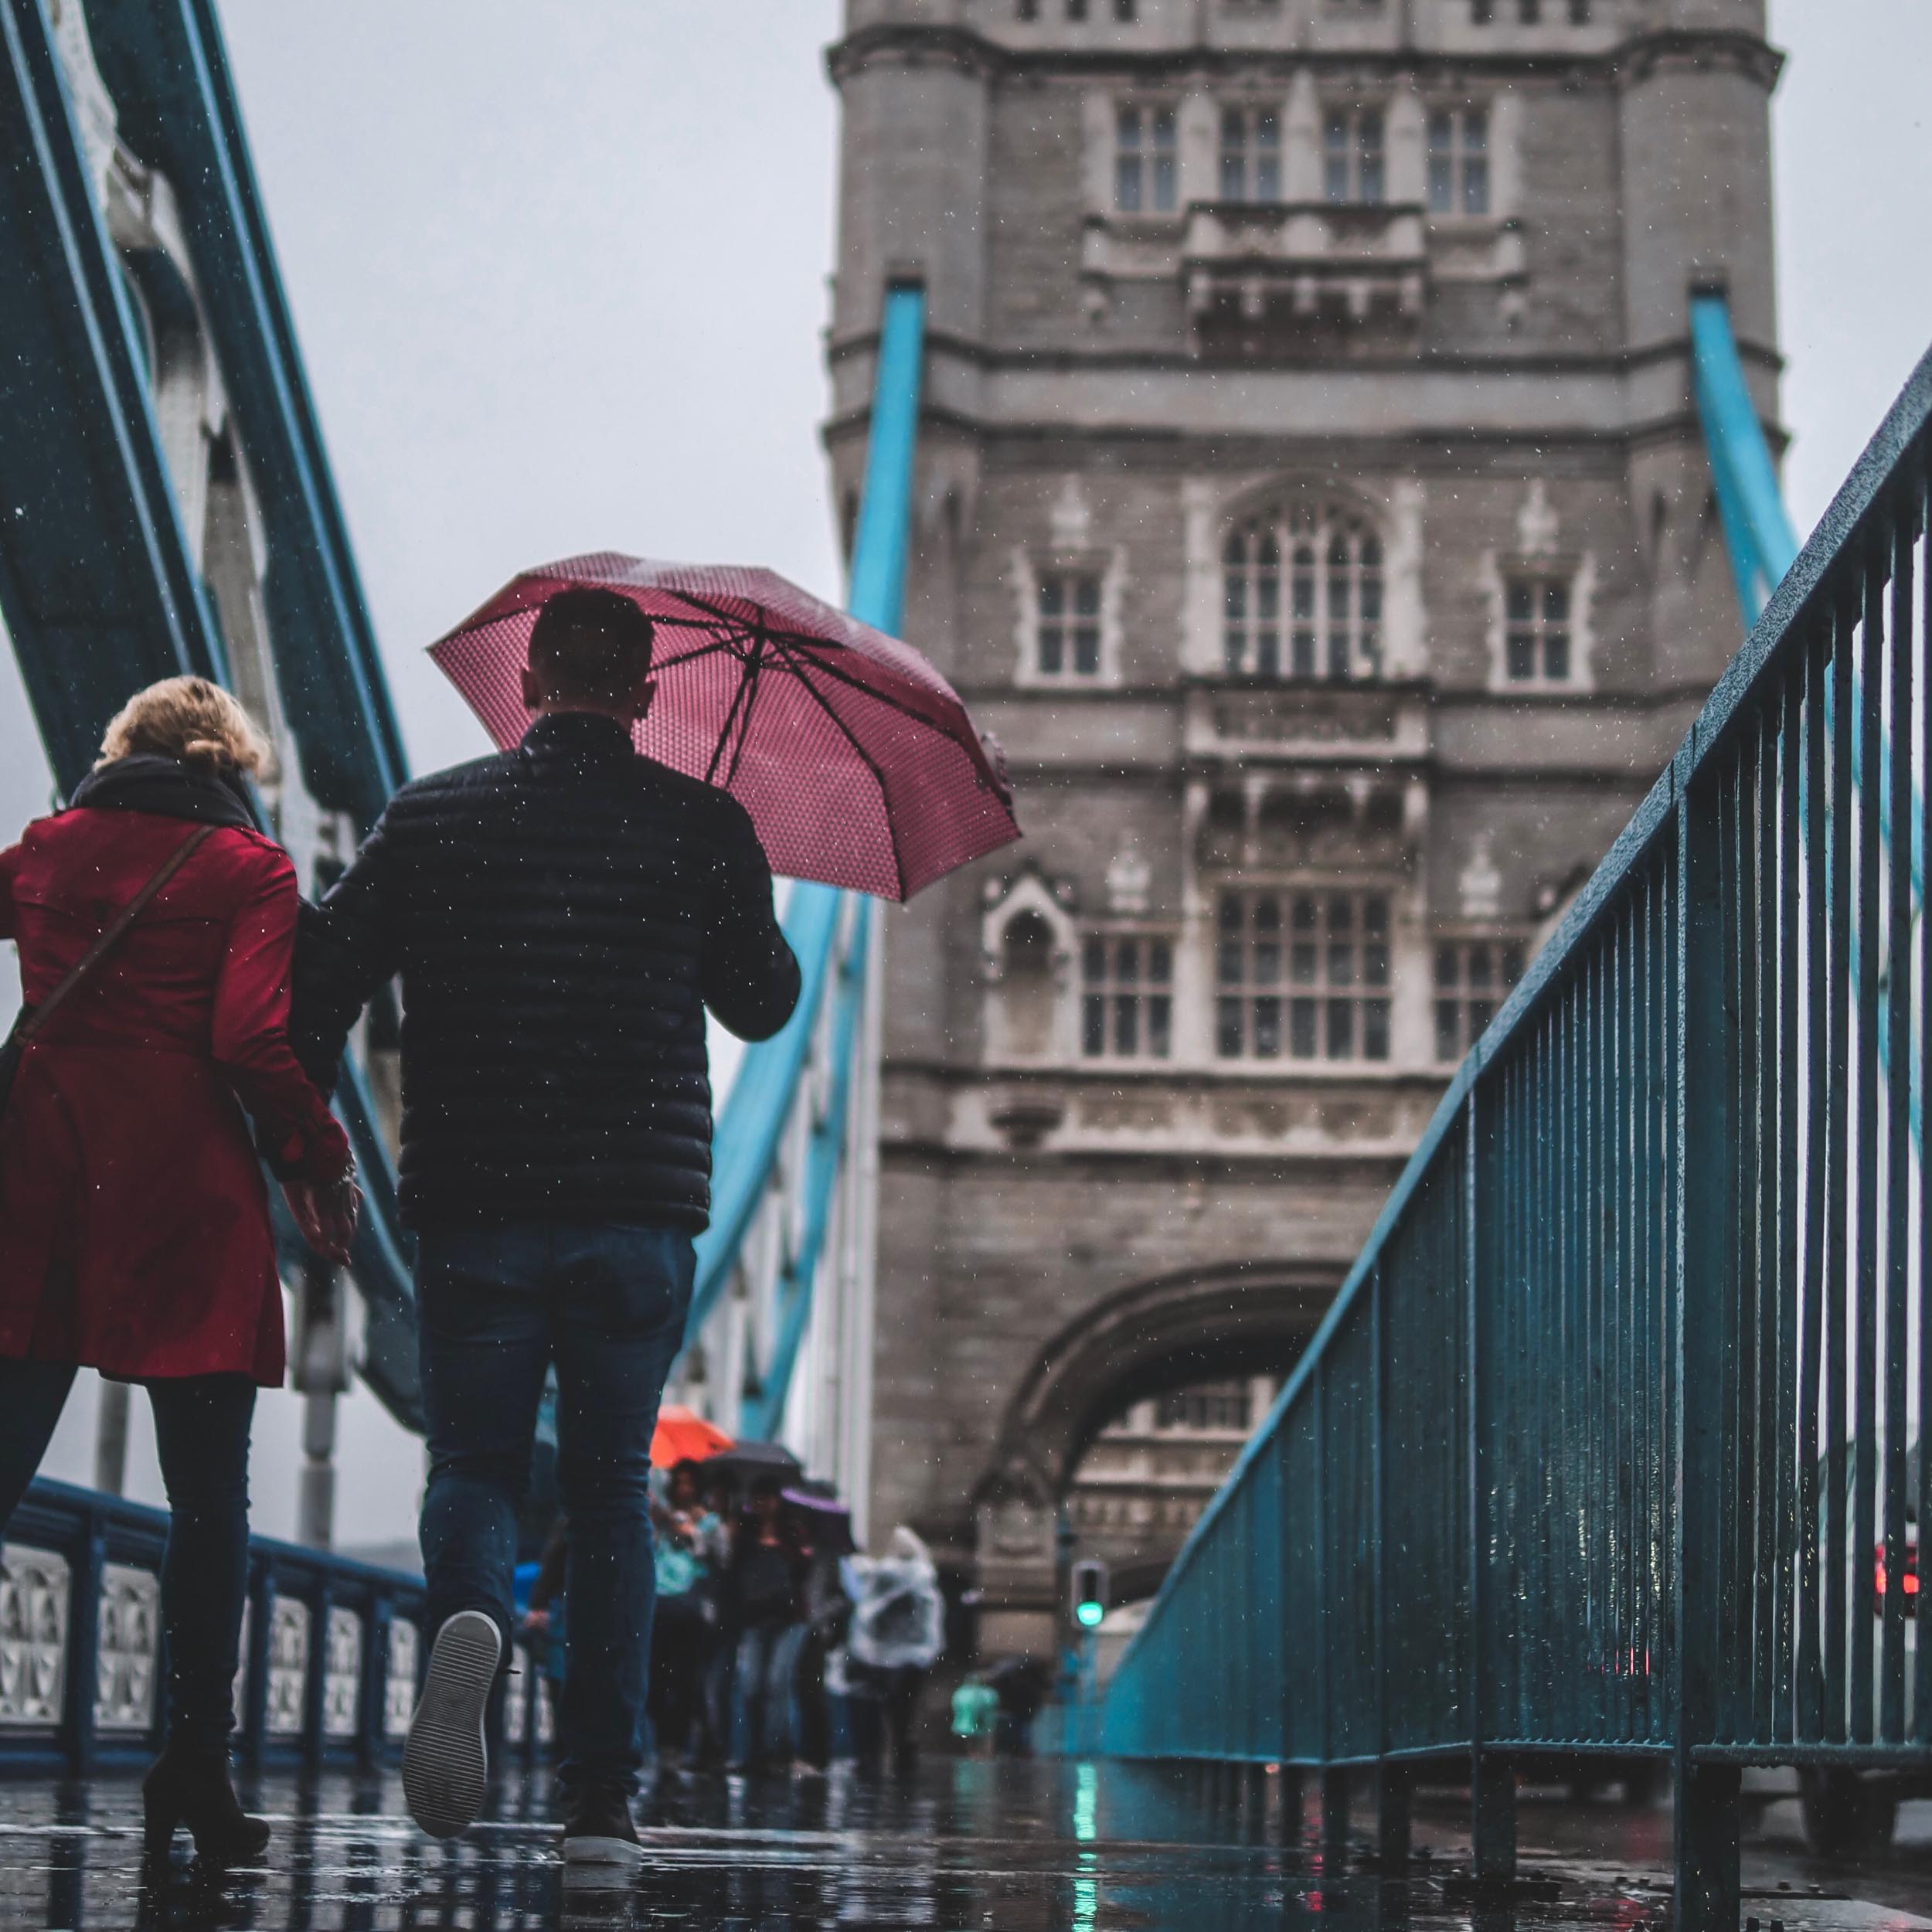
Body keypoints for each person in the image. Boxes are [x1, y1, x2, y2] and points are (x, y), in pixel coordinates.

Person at [289, 587, 799, 1866]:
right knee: (612, 1489)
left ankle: (472, 1618)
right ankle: (599, 1802)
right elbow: (764, 1009)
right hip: (637, 1209)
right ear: (640, 695)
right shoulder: (703, 822)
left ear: (526, 683)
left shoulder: (435, 814)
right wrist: (737, 870)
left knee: (469, 1467)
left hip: (476, 1199)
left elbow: (321, 982)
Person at [0, 678, 356, 1869]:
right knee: (208, 1505)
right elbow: (252, 1037)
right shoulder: (249, 873)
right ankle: (194, 1764)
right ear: (231, 767)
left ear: (119, 752)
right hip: (183, 1194)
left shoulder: (47, 850)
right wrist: (316, 1161)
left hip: (40, 1181)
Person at [845, 1528, 947, 1776]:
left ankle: (873, 1758)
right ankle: (902, 1755)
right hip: (909, 1658)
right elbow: (931, 1621)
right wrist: (928, 1651)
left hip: (879, 1657)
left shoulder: (882, 1575)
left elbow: (865, 1615)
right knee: (903, 1712)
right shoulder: (923, 1578)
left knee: (878, 1708)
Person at [725, 1478, 808, 1773]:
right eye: (760, 1499)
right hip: (755, 1617)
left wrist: (789, 1548)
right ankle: (755, 1751)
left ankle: (778, 1753)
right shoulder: (745, 1535)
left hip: (788, 1618)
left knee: (777, 1684)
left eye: (769, 1498)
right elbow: (733, 1571)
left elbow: (803, 1572)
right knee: (750, 1687)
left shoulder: (793, 1532)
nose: (765, 1505)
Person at [646, 1461, 722, 1767]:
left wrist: (694, 1533)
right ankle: (665, 1740)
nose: (683, 1489)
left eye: (690, 1483)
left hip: (689, 1609)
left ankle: (676, 1745)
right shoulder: (660, 1521)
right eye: (679, 1482)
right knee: (655, 1679)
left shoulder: (709, 1523)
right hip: (659, 1603)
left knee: (685, 1681)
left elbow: (722, 1558)